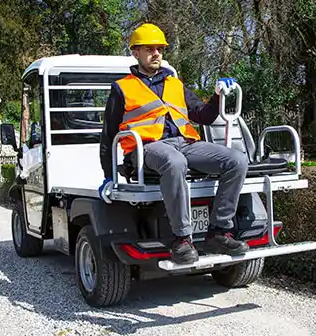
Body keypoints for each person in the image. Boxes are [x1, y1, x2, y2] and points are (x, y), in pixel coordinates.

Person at [98, 22, 250, 265]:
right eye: (149, 48)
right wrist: (108, 176)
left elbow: (204, 116)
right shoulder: (122, 88)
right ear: (135, 53)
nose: (156, 53)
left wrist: (217, 96)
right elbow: (107, 135)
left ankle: (219, 231)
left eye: (159, 48)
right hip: (147, 148)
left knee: (236, 160)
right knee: (174, 161)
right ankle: (181, 239)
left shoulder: (175, 84)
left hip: (185, 142)